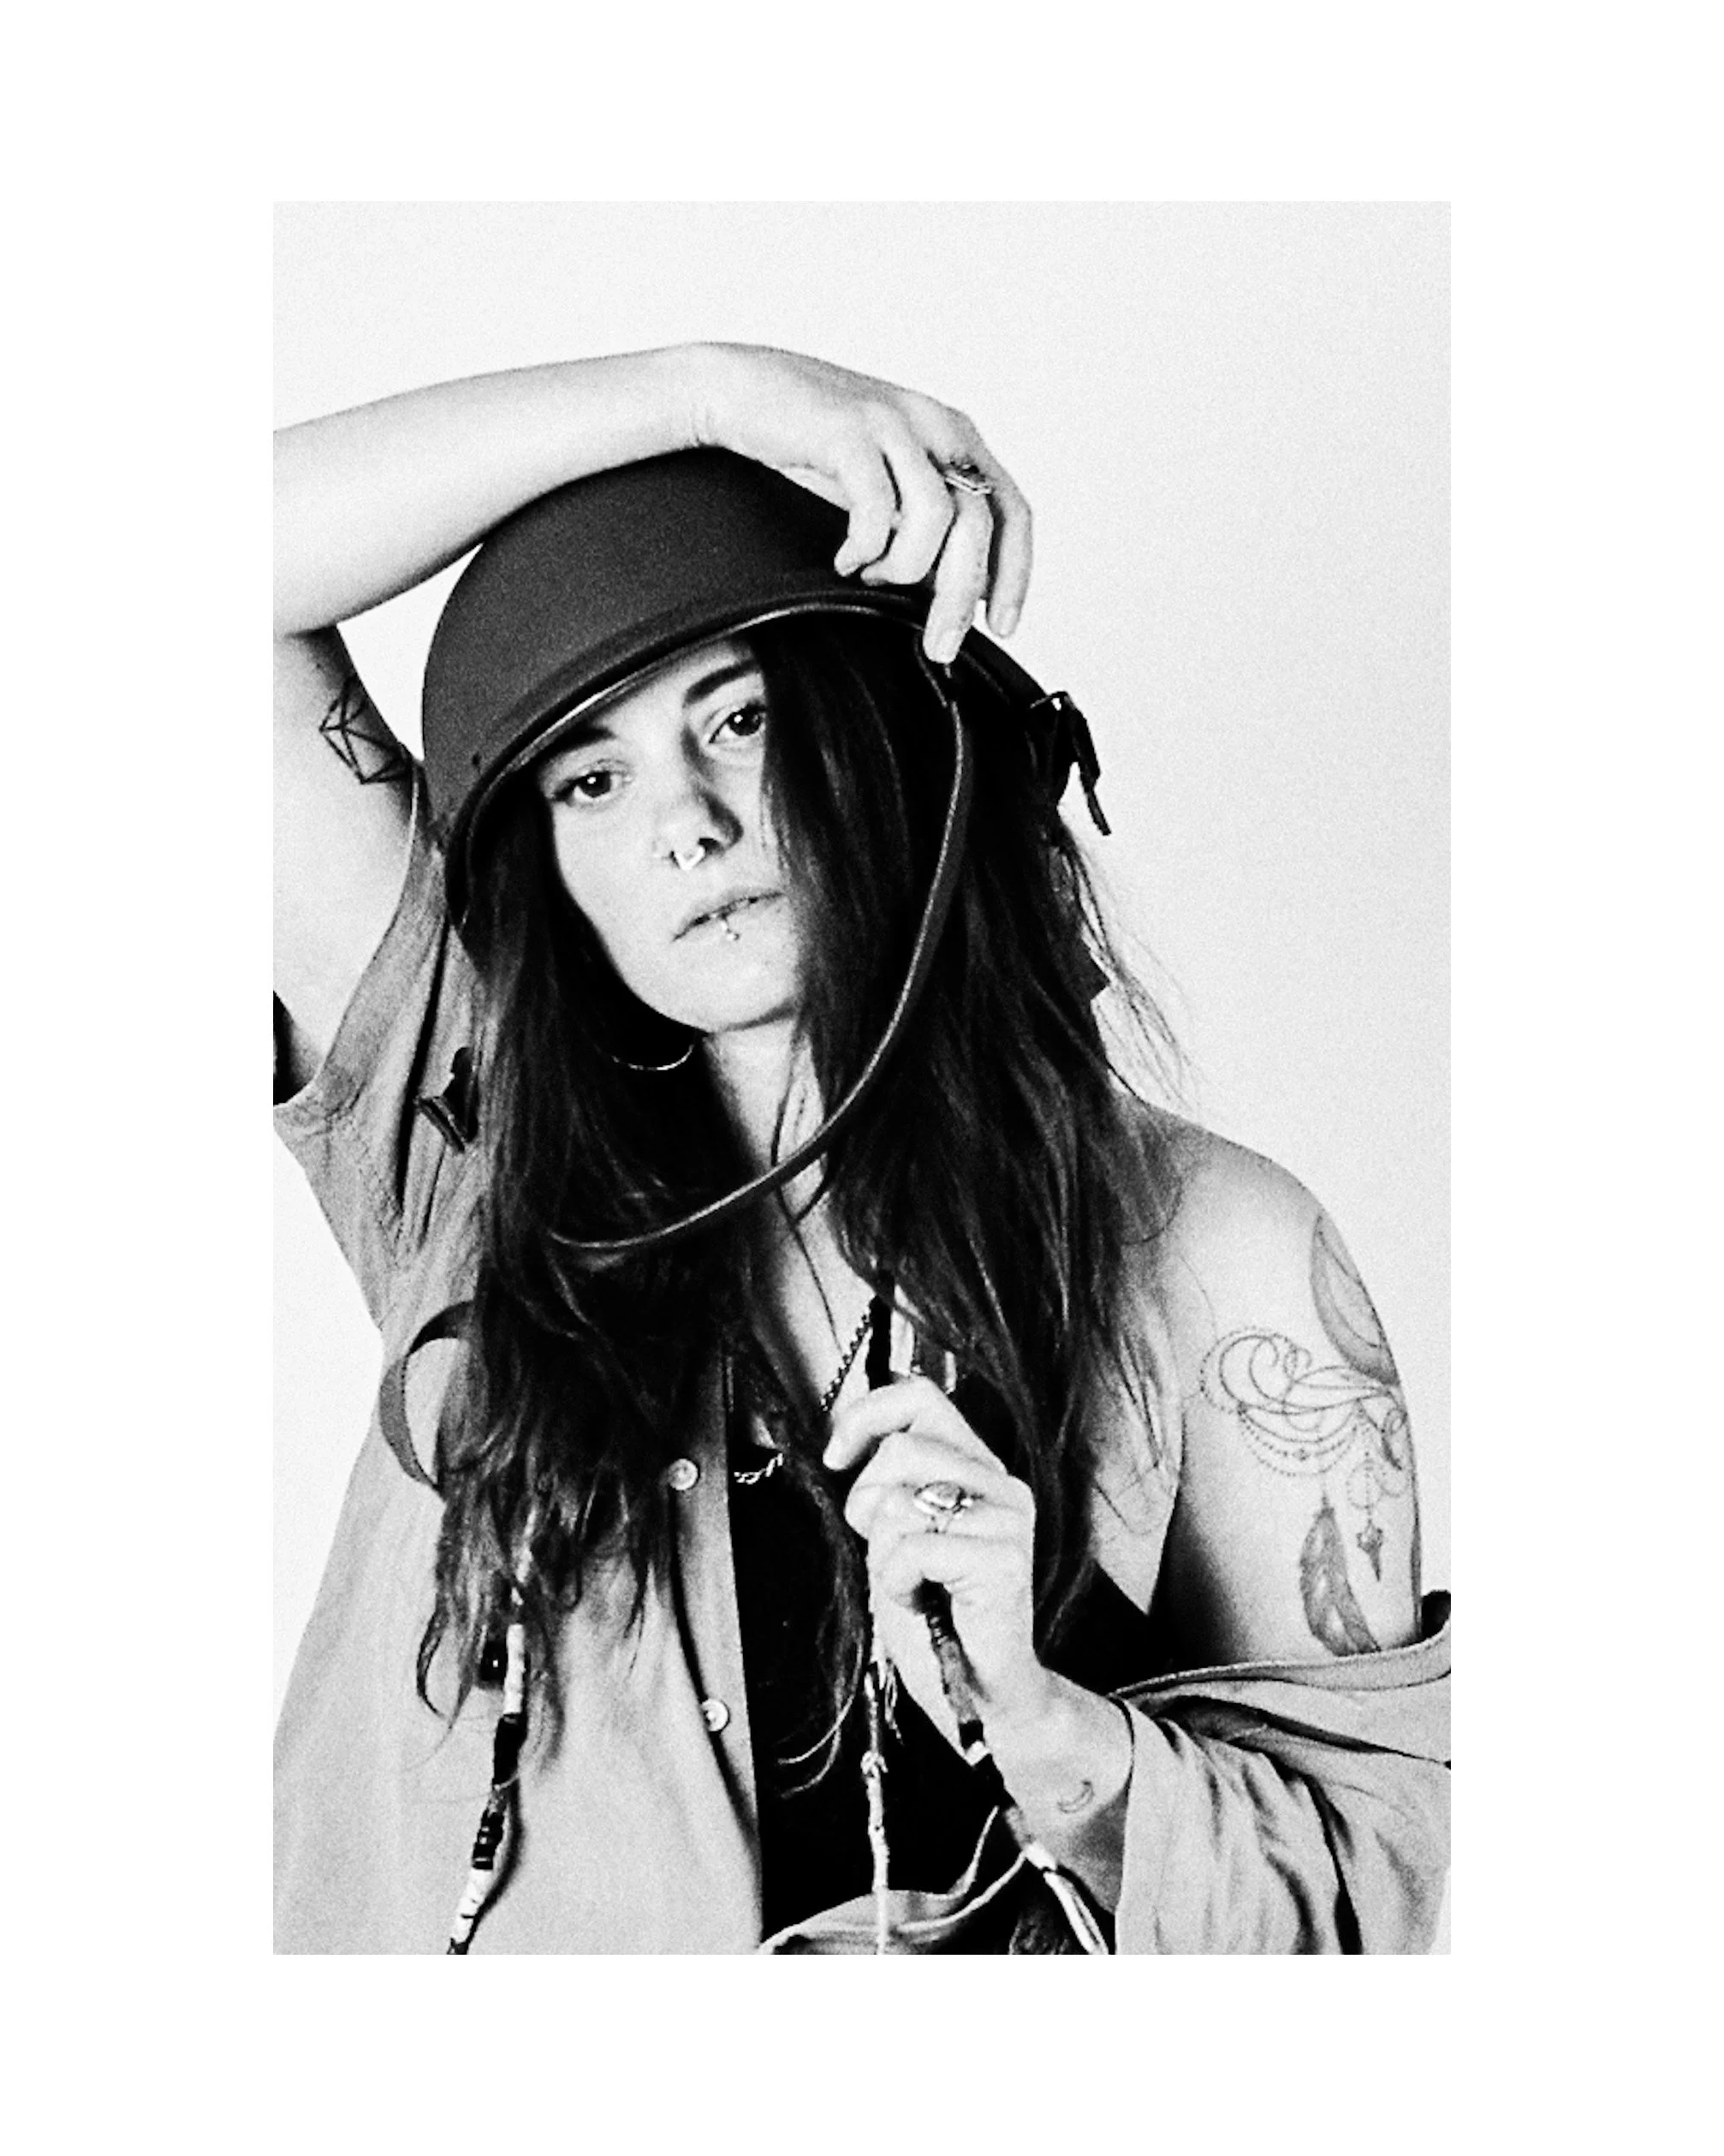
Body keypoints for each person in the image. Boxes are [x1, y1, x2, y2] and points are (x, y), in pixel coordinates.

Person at [274, 341, 1449, 1954]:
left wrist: (1047, 1728)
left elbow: (1363, 1909)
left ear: (882, 732)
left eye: (740, 719)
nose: (681, 820)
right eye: (590, 778)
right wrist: (711, 391)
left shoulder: (1211, 1250)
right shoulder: (469, 1152)